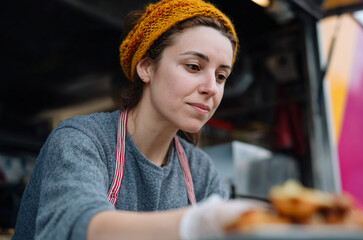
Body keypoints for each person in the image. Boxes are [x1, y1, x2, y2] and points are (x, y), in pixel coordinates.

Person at [12, 0, 262, 239]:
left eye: (221, 76)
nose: (211, 88)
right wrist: (196, 224)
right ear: (146, 68)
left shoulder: (200, 170)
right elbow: (75, 226)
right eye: (194, 66)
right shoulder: (82, 139)